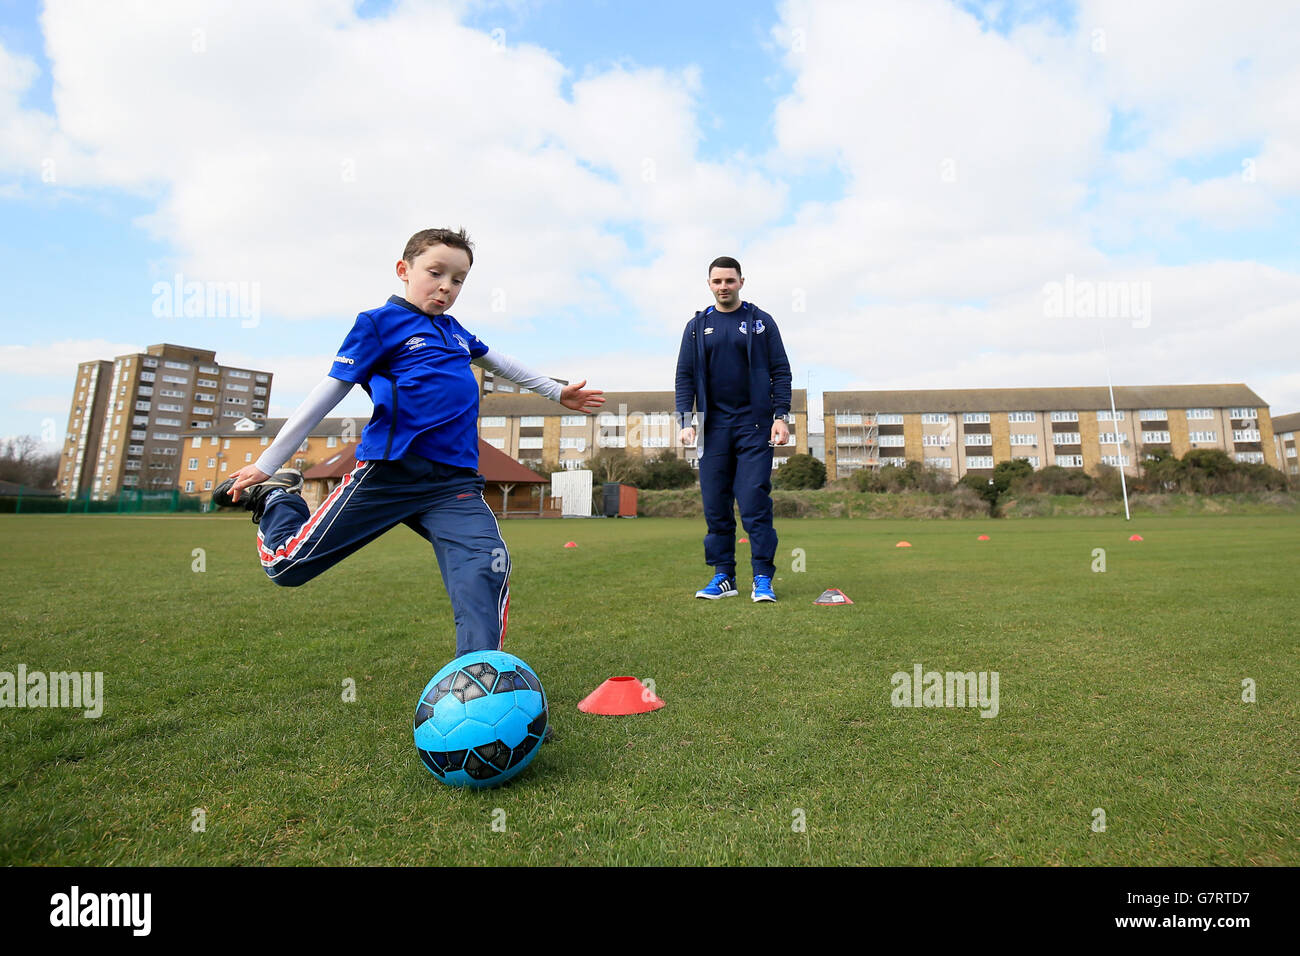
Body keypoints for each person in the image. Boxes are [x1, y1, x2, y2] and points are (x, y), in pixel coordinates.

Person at [213, 227, 604, 658]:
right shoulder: (378, 324)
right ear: (404, 270)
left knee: (484, 565)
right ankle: (278, 501)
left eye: (458, 280)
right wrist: (268, 463)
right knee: (287, 567)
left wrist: (555, 391)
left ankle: (476, 676)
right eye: (436, 273)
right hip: (390, 473)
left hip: (453, 483)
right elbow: (327, 393)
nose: (446, 287)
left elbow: (499, 360)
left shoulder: (454, 332)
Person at [675, 256, 791, 602]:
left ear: (741, 281)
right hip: (713, 428)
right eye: (717, 281)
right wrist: (685, 420)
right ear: (709, 284)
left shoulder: (760, 322)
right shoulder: (697, 327)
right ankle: (723, 575)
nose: (723, 286)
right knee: (715, 504)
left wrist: (781, 416)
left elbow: (781, 371)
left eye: (729, 280)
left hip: (754, 426)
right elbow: (684, 376)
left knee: (754, 501)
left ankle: (762, 578)